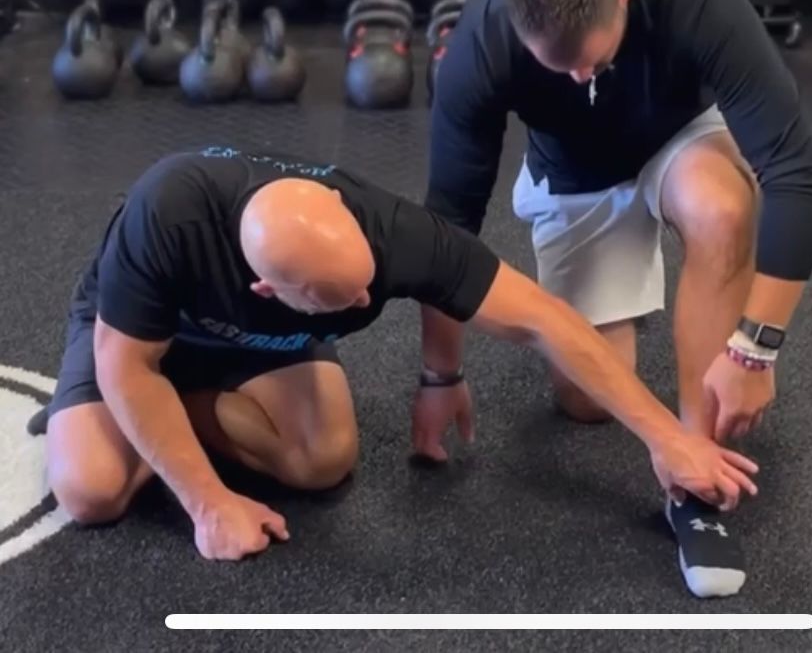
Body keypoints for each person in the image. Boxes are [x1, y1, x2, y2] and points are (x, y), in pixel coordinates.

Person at [38, 145, 758, 563]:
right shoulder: (166, 215)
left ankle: (170, 421)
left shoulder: (388, 234)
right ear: (267, 285)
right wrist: (208, 502)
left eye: (365, 292)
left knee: (322, 461)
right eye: (340, 302)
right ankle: (145, 426)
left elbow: (546, 321)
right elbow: (128, 364)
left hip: (262, 343)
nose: (362, 308)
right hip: (141, 342)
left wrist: (665, 436)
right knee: (92, 491)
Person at [421, 0, 812, 598]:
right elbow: (447, 226)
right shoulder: (483, 39)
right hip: (575, 174)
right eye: (560, 70)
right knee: (585, 402)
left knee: (724, 209)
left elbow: (800, 173)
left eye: (592, 58)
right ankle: (632, 283)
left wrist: (756, 349)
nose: (582, 78)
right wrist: (438, 374)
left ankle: (694, 489)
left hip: (680, 139)